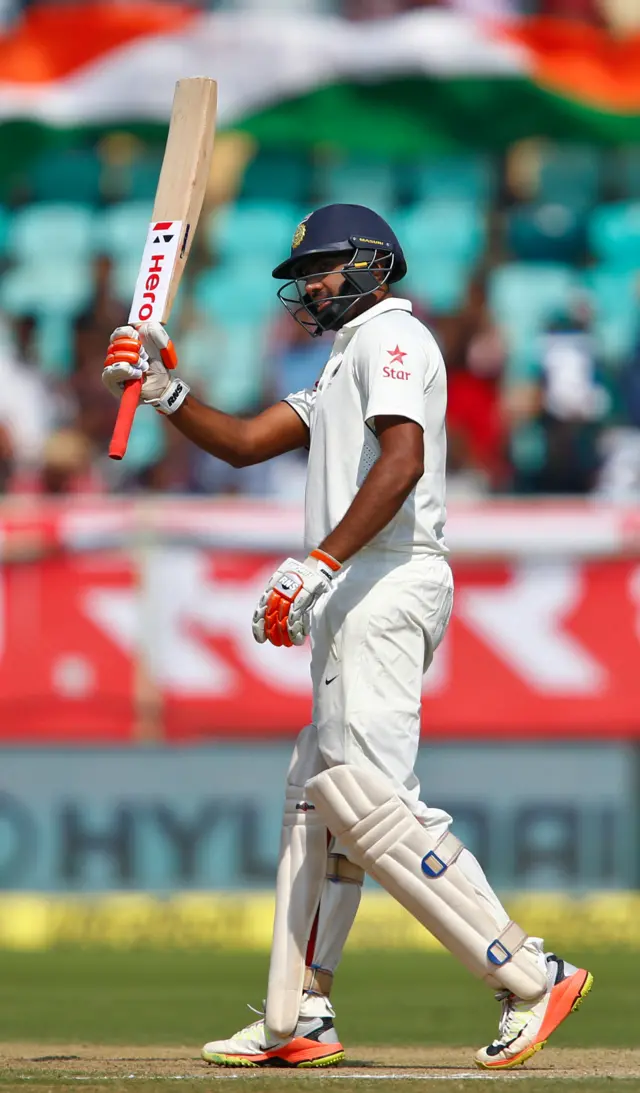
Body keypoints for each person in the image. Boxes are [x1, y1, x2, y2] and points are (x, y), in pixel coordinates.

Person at [102, 203, 592, 1071]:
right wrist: (167, 392)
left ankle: (528, 972)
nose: (307, 287)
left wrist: (320, 561)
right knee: (318, 791)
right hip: (355, 579)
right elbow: (251, 441)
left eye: (320, 270)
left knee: (367, 796)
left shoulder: (394, 340)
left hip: (387, 574)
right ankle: (301, 1009)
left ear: (371, 264)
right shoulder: (342, 357)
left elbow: (401, 461)